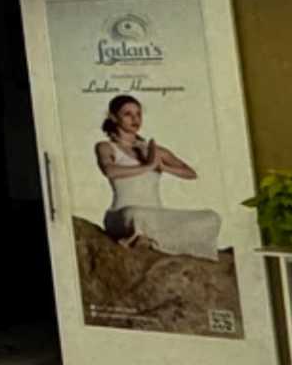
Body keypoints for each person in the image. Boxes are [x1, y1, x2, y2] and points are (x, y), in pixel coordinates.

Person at [93, 94, 223, 254]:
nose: (135, 119)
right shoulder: (106, 147)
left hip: (156, 216)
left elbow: (190, 173)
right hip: (123, 214)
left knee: (211, 217)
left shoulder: (153, 150)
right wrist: (148, 166)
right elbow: (109, 171)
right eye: (128, 114)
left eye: (138, 114)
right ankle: (147, 238)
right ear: (113, 117)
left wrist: (163, 167)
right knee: (136, 214)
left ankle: (148, 240)